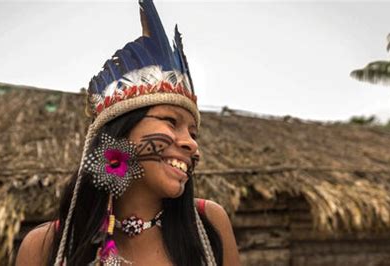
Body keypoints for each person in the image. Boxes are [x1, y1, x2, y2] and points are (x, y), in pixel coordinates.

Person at [16, 0, 240, 265]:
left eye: (193, 134)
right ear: (120, 133)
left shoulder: (208, 223)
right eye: (171, 121)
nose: (192, 145)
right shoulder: (45, 247)